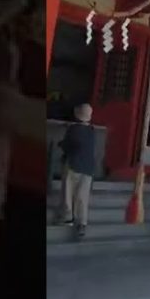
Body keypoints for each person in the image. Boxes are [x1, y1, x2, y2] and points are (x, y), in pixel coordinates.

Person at [58, 103, 96, 240]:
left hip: (73, 164)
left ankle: (68, 217)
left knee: (68, 191)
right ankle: (82, 223)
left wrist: (60, 144)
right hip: (88, 168)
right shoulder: (92, 131)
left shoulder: (73, 129)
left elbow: (67, 145)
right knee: (82, 196)